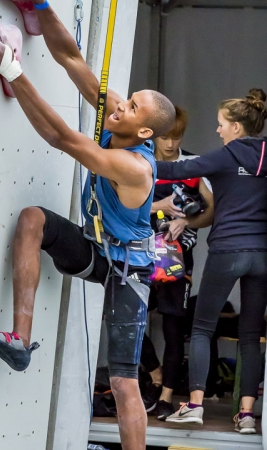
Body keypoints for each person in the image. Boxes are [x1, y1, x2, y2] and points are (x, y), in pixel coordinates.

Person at [0, 2, 175, 448]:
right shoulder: (118, 116)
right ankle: (21, 343)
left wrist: (13, 71)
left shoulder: (132, 167)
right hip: (96, 248)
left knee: (123, 384)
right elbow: (71, 57)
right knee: (32, 221)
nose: (120, 106)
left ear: (144, 133)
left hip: (129, 271)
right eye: (127, 98)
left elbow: (62, 138)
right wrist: (41, 7)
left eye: (132, 107)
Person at [156, 88, 267, 434]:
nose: (217, 130)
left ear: (236, 127)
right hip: (262, 256)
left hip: (227, 252)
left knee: (203, 328)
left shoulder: (226, 155)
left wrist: (130, 159)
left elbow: (176, 169)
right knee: (250, 335)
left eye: (221, 124)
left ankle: (195, 405)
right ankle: (247, 415)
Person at [139, 106, 214, 420]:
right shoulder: (140, 162)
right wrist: (162, 206)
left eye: (177, 137)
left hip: (177, 260)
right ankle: (154, 372)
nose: (170, 144)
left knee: (173, 328)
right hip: (139, 254)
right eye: (165, 138)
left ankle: (167, 396)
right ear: (153, 135)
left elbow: (211, 212)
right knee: (125, 316)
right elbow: (127, 206)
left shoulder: (194, 164)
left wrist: (189, 222)